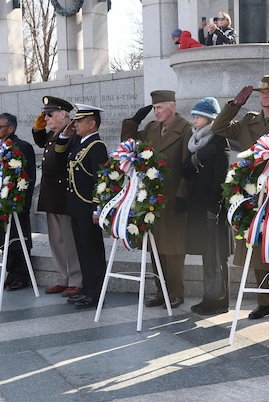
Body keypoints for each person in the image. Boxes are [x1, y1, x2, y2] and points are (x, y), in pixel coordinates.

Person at [213, 75, 269, 322]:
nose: (264, 96)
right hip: (253, 193)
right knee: (255, 243)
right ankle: (263, 302)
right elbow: (218, 128)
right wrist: (234, 106)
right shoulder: (248, 121)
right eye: (261, 93)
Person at [121, 91, 190, 309]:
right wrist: (133, 122)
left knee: (174, 249)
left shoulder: (186, 129)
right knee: (155, 248)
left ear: (173, 106)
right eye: (154, 108)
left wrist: (183, 196)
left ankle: (176, 293)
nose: (157, 111)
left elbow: (188, 166)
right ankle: (161, 291)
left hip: (174, 198)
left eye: (160, 107)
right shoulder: (151, 128)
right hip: (153, 198)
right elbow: (129, 144)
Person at [181, 97, 233, 315]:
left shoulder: (220, 141)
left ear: (210, 118)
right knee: (206, 252)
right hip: (199, 207)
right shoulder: (197, 142)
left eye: (198, 116)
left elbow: (221, 179)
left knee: (217, 254)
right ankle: (209, 296)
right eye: (194, 115)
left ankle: (220, 300)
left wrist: (215, 207)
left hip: (214, 210)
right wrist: (196, 159)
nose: (194, 119)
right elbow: (185, 171)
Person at [55, 104, 108, 309]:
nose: (75, 124)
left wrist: (98, 208)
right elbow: (59, 158)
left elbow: (100, 179)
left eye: (79, 121)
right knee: (82, 250)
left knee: (92, 250)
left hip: (87, 206)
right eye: (75, 120)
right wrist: (63, 137)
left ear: (92, 123)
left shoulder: (97, 146)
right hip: (75, 206)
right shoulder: (79, 143)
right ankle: (87, 289)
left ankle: (95, 293)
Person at [32, 96, 83, 298]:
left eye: (50, 114)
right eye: (45, 115)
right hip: (51, 193)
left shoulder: (70, 134)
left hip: (64, 193)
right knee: (56, 239)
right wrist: (38, 128)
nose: (47, 119)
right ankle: (63, 277)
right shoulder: (55, 134)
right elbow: (40, 140)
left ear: (63, 114)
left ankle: (76, 279)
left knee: (69, 239)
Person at [0, 113, 36, 290]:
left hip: (17, 201)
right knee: (4, 238)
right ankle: (10, 274)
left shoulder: (23, 147)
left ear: (11, 128)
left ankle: (22, 275)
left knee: (19, 238)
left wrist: (24, 204)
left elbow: (29, 176)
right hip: (0, 202)